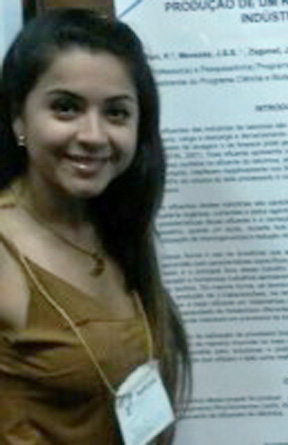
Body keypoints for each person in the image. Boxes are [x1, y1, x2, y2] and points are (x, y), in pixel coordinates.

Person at [0, 9, 190, 444]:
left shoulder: (111, 228)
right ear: (18, 117)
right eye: (66, 108)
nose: (93, 135)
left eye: (116, 113)